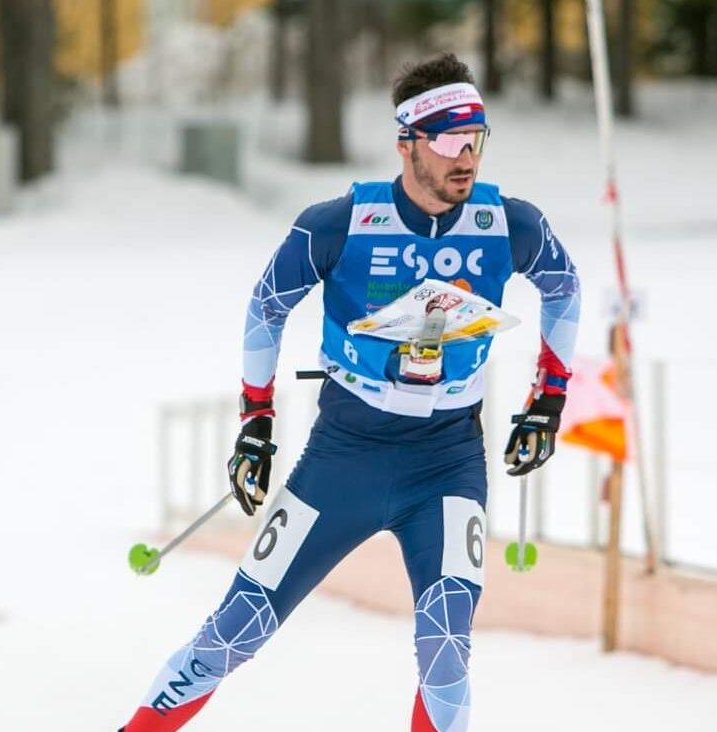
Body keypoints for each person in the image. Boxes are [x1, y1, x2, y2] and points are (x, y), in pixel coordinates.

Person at [116, 53, 580, 732]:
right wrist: (256, 421)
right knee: (237, 630)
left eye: (476, 139)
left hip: (448, 461)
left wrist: (549, 399)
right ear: (407, 144)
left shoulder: (509, 223)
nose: (466, 158)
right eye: (449, 141)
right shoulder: (339, 224)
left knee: (446, 644)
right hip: (345, 457)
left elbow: (564, 287)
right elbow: (267, 306)